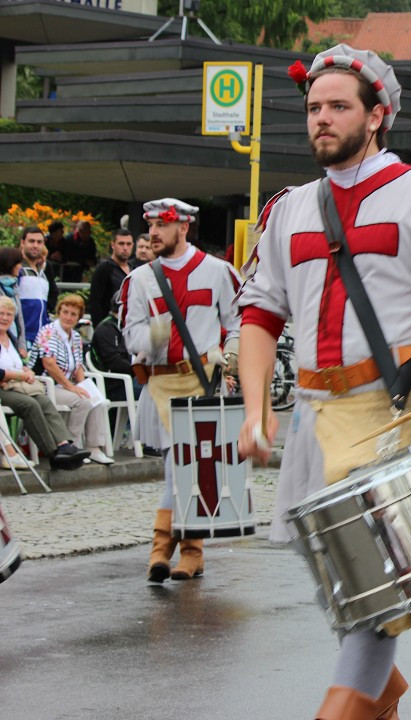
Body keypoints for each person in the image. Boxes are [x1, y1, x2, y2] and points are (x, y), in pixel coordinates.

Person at [234, 44, 411, 719]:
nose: (321, 118)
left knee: (375, 602)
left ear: (377, 115)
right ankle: (382, 701)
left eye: (338, 106)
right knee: (349, 591)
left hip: (397, 412)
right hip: (317, 417)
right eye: (314, 107)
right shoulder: (289, 208)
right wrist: (256, 411)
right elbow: (259, 315)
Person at [120, 198, 241, 583]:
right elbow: (130, 335)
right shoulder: (138, 280)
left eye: (162, 225)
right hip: (159, 383)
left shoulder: (218, 271)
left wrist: (234, 352)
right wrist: (152, 337)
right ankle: (189, 552)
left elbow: (239, 320)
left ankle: (164, 550)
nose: (152, 233)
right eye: (150, 225)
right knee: (181, 469)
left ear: (183, 227)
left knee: (183, 469)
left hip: (202, 382)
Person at [0, 296, 89, 470]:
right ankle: (53, 453)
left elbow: (19, 363)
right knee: (30, 404)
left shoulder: (10, 336)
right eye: (1, 313)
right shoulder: (47, 332)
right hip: (4, 387)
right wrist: (16, 376)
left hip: (18, 384)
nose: (4, 318)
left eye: (9, 315)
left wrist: (27, 371)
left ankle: (64, 445)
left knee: (43, 400)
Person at [28, 294, 113, 464]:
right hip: (45, 385)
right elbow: (49, 364)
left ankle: (93, 448)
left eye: (73, 314)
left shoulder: (75, 336)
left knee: (96, 398)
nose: (68, 317)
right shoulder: (48, 331)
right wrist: (72, 387)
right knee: (82, 400)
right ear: (59, 312)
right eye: (65, 312)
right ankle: (71, 445)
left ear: (78, 317)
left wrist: (83, 385)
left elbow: (78, 366)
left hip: (64, 385)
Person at [91, 291, 139, 402]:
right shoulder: (106, 329)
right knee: (153, 392)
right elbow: (114, 362)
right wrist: (140, 371)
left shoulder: (124, 326)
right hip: (114, 385)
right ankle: (135, 420)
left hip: (128, 380)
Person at [18, 225, 59, 346]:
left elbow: (53, 294)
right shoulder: (16, 267)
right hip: (21, 335)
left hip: (42, 336)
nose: (35, 245)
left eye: (39, 242)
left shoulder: (45, 270)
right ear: (22, 243)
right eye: (31, 241)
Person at [87, 228, 135, 328]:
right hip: (109, 325)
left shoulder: (134, 269)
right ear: (113, 245)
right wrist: (100, 329)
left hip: (131, 325)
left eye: (128, 244)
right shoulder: (104, 269)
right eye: (121, 244)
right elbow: (95, 302)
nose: (125, 248)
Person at [0, 246, 28, 358]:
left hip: (13, 343)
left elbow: (19, 320)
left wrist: (22, 346)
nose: (21, 267)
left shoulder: (14, 288)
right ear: (10, 264)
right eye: (18, 264)